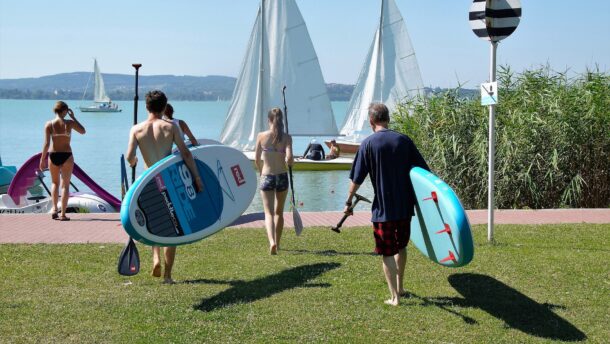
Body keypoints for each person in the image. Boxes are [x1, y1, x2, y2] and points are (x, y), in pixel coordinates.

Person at [343, 103, 429, 306]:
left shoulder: (368, 144)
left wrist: (348, 201)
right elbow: (423, 172)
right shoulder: (404, 140)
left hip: (383, 209)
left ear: (371, 121)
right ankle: (400, 287)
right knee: (401, 246)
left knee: (386, 251)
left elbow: (357, 178)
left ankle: (394, 297)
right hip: (405, 206)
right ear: (388, 119)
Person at [125, 90, 204, 284]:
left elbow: (129, 156)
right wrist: (197, 177)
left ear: (146, 107)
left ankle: (155, 258)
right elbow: (185, 154)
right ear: (164, 106)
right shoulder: (170, 127)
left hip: (146, 181)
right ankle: (168, 276)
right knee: (172, 227)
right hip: (167, 179)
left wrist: (134, 161)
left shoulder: (136, 129)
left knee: (153, 222)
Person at [254, 107, 294, 255]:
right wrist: (289, 159)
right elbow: (289, 159)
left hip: (267, 176)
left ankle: (271, 243)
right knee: (279, 213)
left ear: (269, 120)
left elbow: (257, 159)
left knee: (268, 213)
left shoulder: (261, 136)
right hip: (282, 176)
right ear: (281, 120)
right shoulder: (287, 137)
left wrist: (260, 171)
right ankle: (278, 242)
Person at [39, 101, 86, 221]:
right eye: (67, 111)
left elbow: (46, 144)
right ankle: (63, 214)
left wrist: (42, 159)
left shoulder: (48, 124)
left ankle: (54, 209)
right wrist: (73, 117)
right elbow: (83, 131)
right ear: (65, 111)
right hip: (67, 155)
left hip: (53, 155)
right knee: (65, 185)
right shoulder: (69, 123)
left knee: (54, 183)